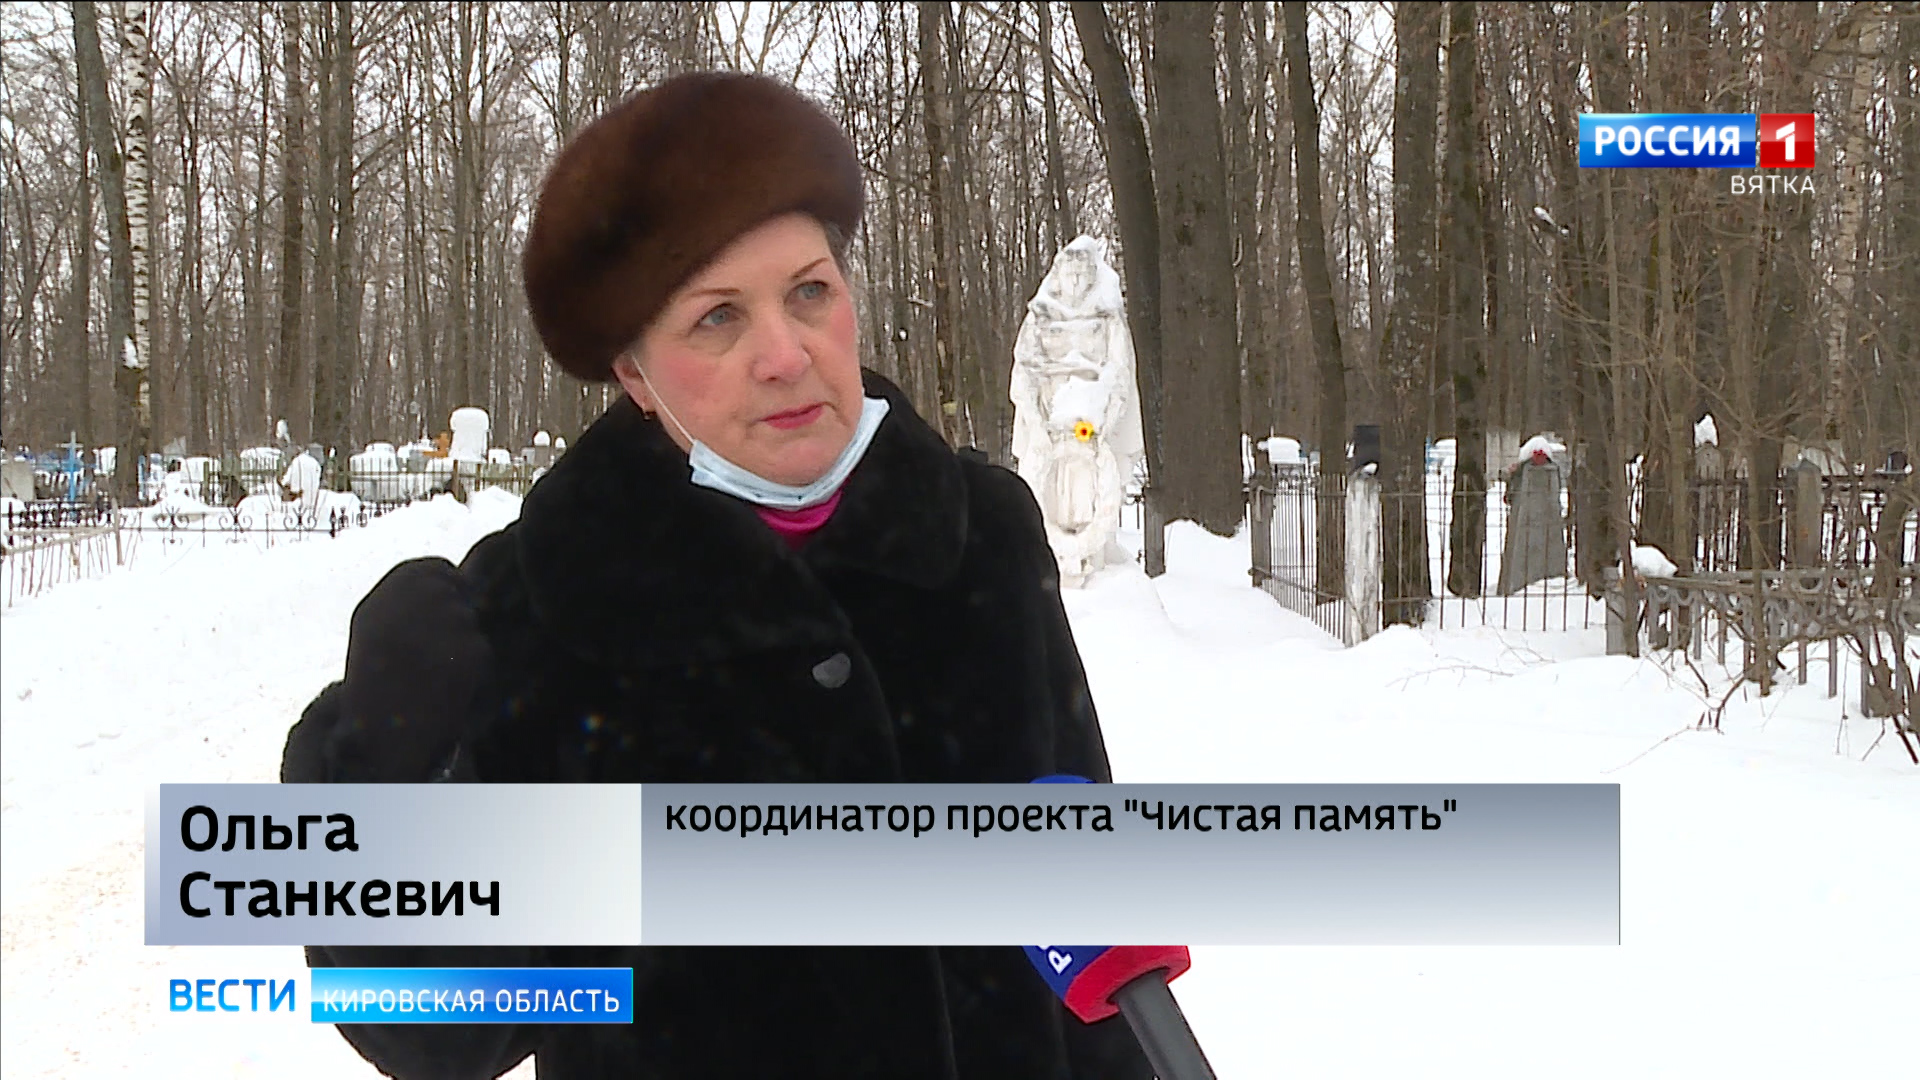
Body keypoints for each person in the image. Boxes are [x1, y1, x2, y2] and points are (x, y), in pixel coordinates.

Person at [280, 72, 1152, 1080]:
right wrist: (396, 787)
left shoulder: (980, 538)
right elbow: (437, 1030)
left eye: (810, 292)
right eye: (716, 318)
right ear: (635, 374)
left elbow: (1088, 938)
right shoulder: (555, 604)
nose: (785, 354)